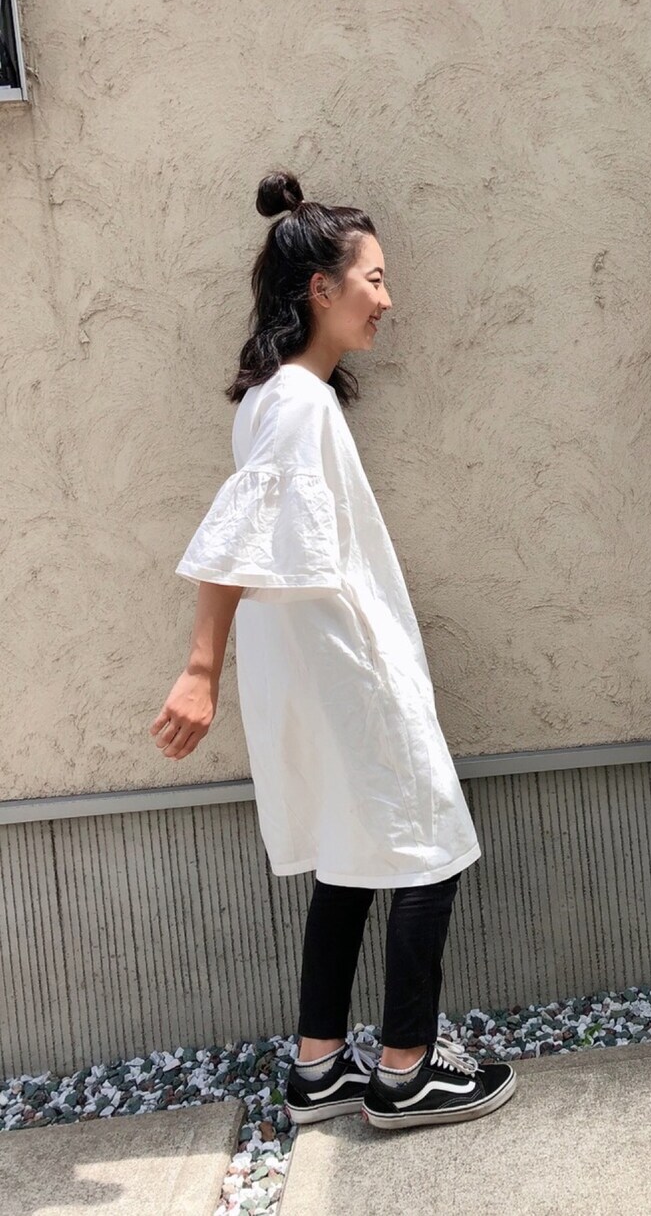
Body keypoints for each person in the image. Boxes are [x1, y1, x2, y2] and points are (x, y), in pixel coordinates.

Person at [150, 171, 516, 1131]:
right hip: (347, 664)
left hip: (312, 666)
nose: (387, 299)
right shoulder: (297, 403)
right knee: (429, 845)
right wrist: (200, 669)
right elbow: (240, 528)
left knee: (352, 859)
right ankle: (406, 1070)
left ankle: (318, 1067)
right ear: (321, 287)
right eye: (375, 279)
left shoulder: (275, 398)